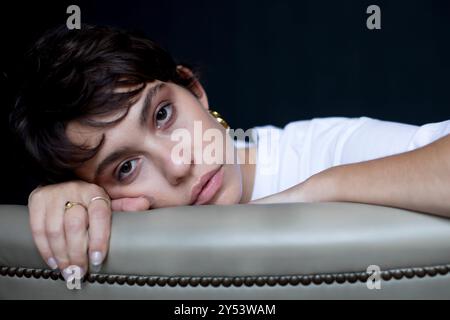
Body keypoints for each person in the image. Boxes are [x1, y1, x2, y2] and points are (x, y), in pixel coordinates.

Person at [9, 24, 450, 280]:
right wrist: (72, 208)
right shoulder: (106, 217)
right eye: (126, 167)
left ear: (196, 91)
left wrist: (319, 191)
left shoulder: (326, 150)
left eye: (163, 114)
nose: (179, 163)